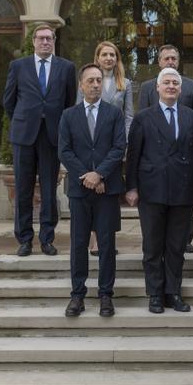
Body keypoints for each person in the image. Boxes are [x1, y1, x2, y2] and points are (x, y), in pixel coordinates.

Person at [126, 68, 193, 314]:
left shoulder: (192, 117)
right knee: (153, 245)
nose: (171, 86)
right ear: (157, 89)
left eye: (175, 83)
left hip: (182, 190)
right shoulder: (143, 117)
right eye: (166, 83)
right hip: (151, 190)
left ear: (180, 89)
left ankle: (173, 292)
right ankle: (155, 294)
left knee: (175, 246)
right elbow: (133, 156)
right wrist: (131, 187)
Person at [2, 23, 76, 257]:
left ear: (54, 41)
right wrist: (25, 120)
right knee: (23, 188)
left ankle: (47, 239)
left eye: (49, 38)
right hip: (24, 136)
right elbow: (9, 102)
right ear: (33, 41)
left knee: (48, 189)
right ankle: (24, 239)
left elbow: (69, 102)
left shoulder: (66, 68)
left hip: (51, 136)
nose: (45, 42)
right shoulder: (18, 66)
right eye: (41, 38)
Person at [59, 64, 126, 318]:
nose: (96, 84)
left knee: (107, 244)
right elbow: (65, 151)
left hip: (107, 189)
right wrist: (87, 176)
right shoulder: (68, 116)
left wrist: (100, 174)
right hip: (79, 191)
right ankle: (77, 295)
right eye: (91, 81)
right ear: (81, 85)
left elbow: (119, 147)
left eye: (99, 80)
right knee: (78, 244)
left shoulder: (114, 114)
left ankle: (106, 295)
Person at [138, 44, 193, 254]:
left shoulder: (190, 86)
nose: (170, 62)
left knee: (184, 203)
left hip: (184, 158)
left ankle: (186, 238)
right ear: (159, 62)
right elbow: (142, 124)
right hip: (155, 163)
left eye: (173, 59)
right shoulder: (147, 87)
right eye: (166, 58)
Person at [80, 41, 135, 256]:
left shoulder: (125, 83)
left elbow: (129, 115)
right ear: (98, 57)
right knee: (93, 191)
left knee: (110, 195)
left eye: (113, 54)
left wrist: (126, 143)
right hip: (93, 144)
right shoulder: (89, 81)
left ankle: (108, 239)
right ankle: (94, 239)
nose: (109, 58)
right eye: (104, 54)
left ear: (117, 58)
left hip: (115, 146)